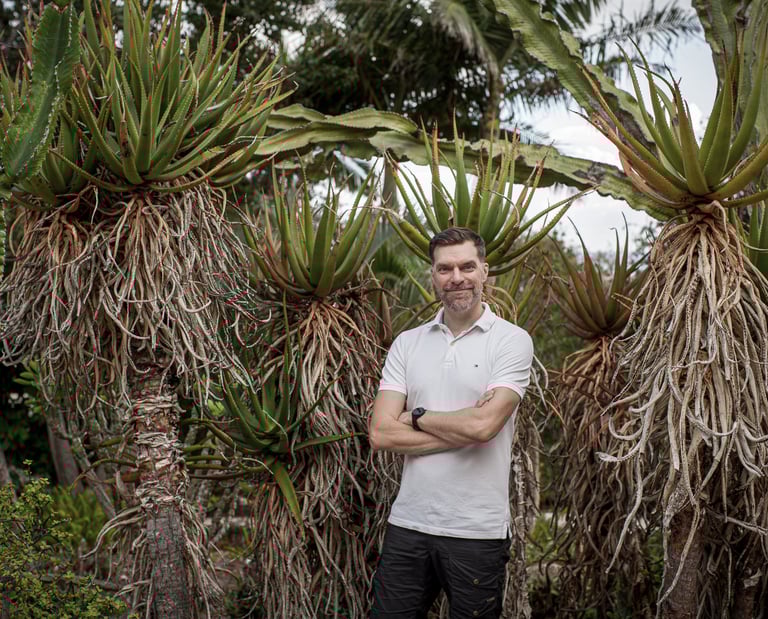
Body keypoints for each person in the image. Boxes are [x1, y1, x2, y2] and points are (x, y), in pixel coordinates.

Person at [368, 227, 534, 619]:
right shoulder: (408, 343)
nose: (456, 277)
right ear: (433, 275)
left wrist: (418, 417)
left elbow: (484, 427)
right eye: (445, 269)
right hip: (408, 525)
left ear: (485, 272)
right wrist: (466, 427)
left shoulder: (511, 341)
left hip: (476, 532)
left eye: (466, 266)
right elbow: (379, 432)